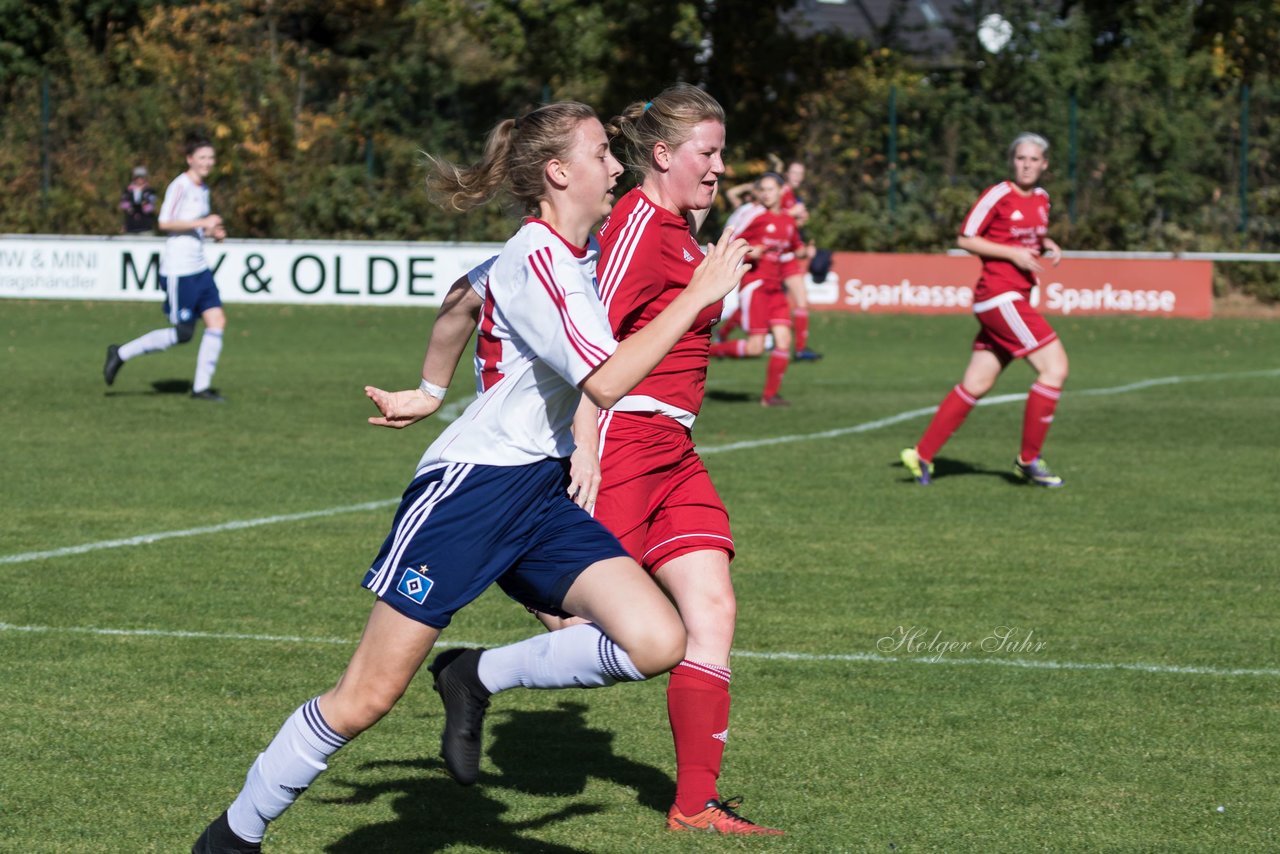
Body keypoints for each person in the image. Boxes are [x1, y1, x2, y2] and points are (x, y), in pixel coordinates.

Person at [190, 101, 750, 853]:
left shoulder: (566, 254)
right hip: (471, 494)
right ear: (558, 173)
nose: (616, 164)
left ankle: (473, 676)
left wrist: (427, 389)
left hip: (538, 500)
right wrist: (697, 296)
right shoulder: (540, 257)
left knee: (656, 640)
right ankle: (233, 834)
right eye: (599, 155)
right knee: (366, 699)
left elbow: (461, 298)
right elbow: (609, 381)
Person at [428, 84, 786, 835]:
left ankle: (695, 805)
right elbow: (593, 353)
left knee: (712, 610)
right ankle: (474, 673)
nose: (721, 167)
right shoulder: (632, 230)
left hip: (675, 449)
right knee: (581, 631)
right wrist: (584, 444)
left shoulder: (680, 227)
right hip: (622, 440)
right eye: (708, 153)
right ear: (663, 156)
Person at [900, 132, 1068, 487]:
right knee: (1055, 368)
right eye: (1021, 158)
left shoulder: (1042, 198)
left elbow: (1026, 237)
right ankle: (1028, 460)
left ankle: (921, 454)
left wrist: (1045, 242)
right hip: (999, 296)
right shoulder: (998, 194)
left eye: (1034, 159)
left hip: (1015, 297)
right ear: (1013, 161)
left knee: (977, 383)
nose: (1026, 165)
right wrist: (1014, 254)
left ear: (1044, 164)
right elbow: (966, 238)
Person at [103, 136, 229, 401]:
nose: (208, 162)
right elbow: (165, 222)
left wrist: (212, 232)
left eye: (211, 157)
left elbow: (193, 227)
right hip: (178, 270)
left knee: (217, 321)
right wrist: (202, 221)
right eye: (202, 157)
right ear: (190, 159)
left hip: (200, 268)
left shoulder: (203, 189)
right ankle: (121, 353)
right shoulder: (180, 186)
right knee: (183, 334)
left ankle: (201, 388)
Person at [708, 172, 806, 408]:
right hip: (756, 286)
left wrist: (804, 252)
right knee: (755, 348)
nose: (765, 194)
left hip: (776, 289)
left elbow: (796, 247)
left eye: (770, 189)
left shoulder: (788, 221)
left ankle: (769, 396)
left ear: (782, 191)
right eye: (762, 189)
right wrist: (751, 250)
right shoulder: (754, 215)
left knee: (783, 341)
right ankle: (709, 350)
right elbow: (730, 242)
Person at [780, 159, 822, 361]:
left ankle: (800, 348)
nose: (798, 177)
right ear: (787, 173)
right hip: (777, 256)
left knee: (801, 301)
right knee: (766, 303)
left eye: (801, 174)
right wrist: (792, 214)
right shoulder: (781, 192)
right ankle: (798, 348)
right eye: (794, 172)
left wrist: (800, 220)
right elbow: (769, 215)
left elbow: (788, 224)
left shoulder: (793, 196)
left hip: (787, 255)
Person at [119, 165, 157, 234]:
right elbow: (123, 205)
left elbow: (152, 207)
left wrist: (144, 205)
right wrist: (130, 206)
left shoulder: (149, 191)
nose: (139, 179)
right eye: (137, 177)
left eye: (142, 177)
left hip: (145, 227)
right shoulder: (128, 190)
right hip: (130, 226)